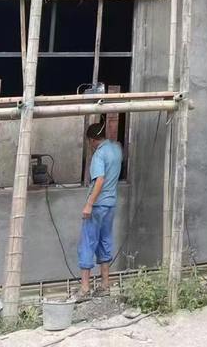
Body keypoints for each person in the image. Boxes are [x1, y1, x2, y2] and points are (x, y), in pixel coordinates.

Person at [77, 120, 123, 299]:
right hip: (110, 204)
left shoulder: (99, 154)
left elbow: (100, 180)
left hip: (97, 205)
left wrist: (89, 204)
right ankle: (105, 285)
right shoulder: (116, 149)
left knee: (87, 242)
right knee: (105, 241)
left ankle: (85, 288)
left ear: (92, 140)